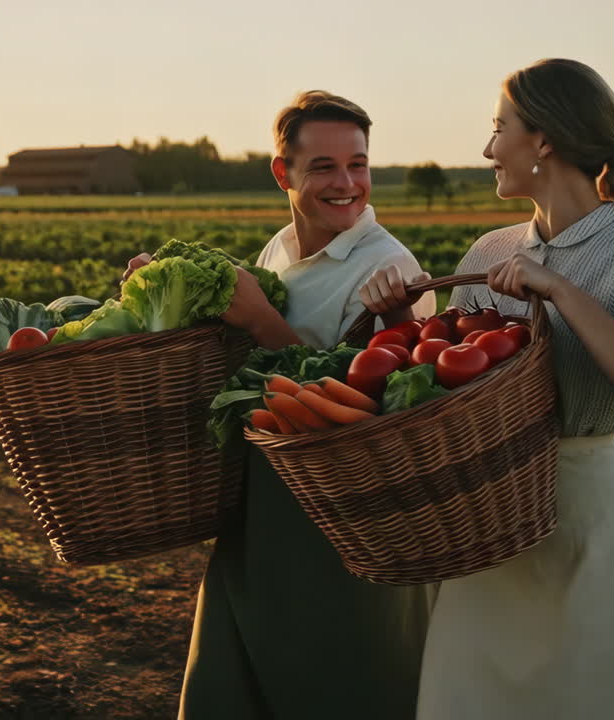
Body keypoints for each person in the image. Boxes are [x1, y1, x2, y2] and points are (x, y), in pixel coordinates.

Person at [361, 59, 614, 720]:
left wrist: (562, 291)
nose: (488, 149)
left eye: (500, 128)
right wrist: (400, 321)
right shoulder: (488, 254)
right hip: (485, 527)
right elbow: (447, 389)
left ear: (543, 140)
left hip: (591, 533)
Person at [129, 90, 436, 719]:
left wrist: (264, 321)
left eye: (358, 163)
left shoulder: (389, 269)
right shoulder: (278, 252)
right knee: (236, 684)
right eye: (323, 167)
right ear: (283, 174)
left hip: (342, 528)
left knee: (339, 683)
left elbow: (372, 424)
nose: (347, 183)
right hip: (262, 506)